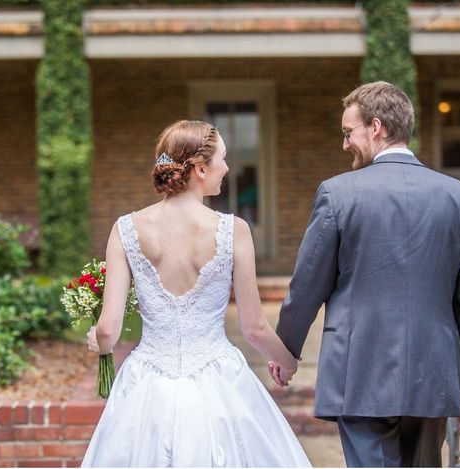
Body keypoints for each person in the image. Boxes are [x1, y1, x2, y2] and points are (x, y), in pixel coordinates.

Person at [269, 81, 460, 467]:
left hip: (359, 369)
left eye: (347, 132)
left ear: (375, 127)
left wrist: (286, 349)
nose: (344, 144)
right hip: (433, 372)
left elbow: (308, 284)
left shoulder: (337, 194)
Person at [81, 120, 311, 467]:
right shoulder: (233, 231)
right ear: (201, 169)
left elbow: (109, 331)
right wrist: (287, 360)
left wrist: (96, 339)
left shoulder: (125, 229)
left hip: (147, 387)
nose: (228, 167)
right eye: (223, 158)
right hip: (218, 382)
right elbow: (255, 328)